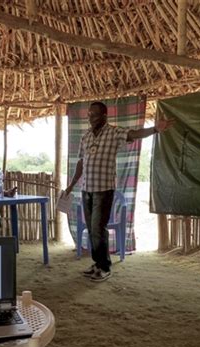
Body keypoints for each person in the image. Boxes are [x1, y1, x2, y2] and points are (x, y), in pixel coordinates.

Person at [65, 102, 173, 282]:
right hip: (87, 190)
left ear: (105, 116)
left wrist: (155, 129)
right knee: (92, 231)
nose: (91, 118)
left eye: (95, 114)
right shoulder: (86, 137)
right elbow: (81, 163)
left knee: (98, 229)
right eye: (90, 114)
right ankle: (97, 264)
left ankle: (105, 267)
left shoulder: (114, 132)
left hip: (104, 190)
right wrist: (71, 185)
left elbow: (135, 134)